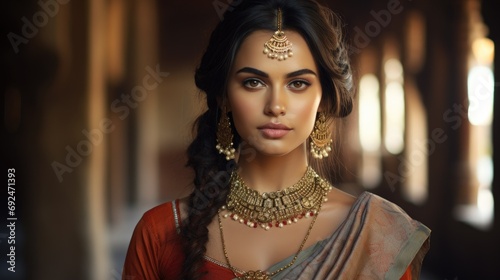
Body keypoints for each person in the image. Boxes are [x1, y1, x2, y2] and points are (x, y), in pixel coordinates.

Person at [122, 0, 431, 279]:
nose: (276, 106)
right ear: (224, 96)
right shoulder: (161, 232)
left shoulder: (376, 234)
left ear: (323, 99)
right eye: (253, 82)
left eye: (298, 83)